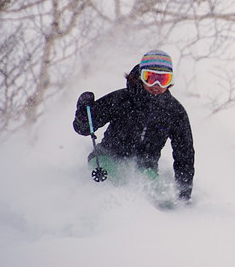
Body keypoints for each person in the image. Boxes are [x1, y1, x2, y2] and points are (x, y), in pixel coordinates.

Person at [72, 50, 194, 201]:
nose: (156, 85)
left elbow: (184, 154)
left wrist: (184, 193)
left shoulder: (174, 112)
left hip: (145, 167)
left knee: (153, 195)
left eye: (162, 80)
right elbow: (84, 128)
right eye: (150, 78)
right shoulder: (121, 99)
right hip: (106, 158)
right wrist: (83, 114)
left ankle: (165, 220)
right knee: (112, 183)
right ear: (140, 77)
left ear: (170, 81)